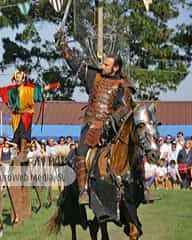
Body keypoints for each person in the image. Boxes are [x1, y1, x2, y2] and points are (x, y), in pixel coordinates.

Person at [55, 31, 136, 204]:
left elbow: (124, 107)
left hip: (112, 126)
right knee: (81, 154)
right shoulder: (93, 75)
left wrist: (110, 121)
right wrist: (62, 45)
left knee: (136, 148)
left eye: (106, 64)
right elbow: (75, 63)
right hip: (91, 125)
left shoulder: (124, 84)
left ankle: (142, 187)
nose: (102, 65)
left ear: (116, 68)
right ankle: (83, 191)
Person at [0, 70, 60, 148]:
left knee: (23, 134)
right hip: (15, 115)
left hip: (26, 114)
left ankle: (23, 151)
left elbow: (42, 88)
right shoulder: (11, 89)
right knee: (16, 136)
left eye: (19, 78)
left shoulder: (30, 89)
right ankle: (19, 151)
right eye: (16, 78)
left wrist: (54, 85)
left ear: (23, 79)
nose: (17, 79)